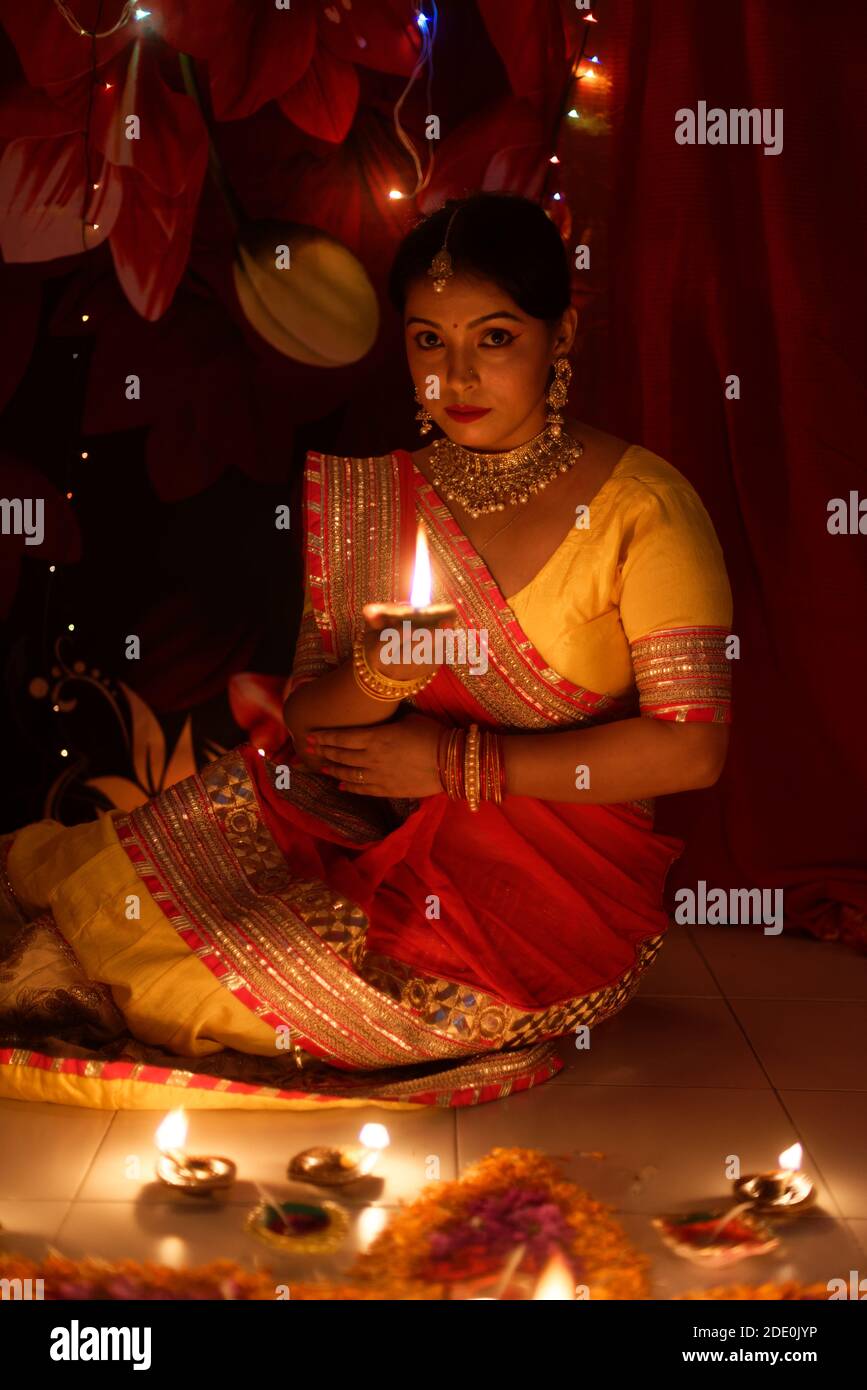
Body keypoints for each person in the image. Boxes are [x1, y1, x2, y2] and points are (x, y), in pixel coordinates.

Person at [0, 193, 732, 1111]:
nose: (455, 373)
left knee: (175, 989)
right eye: (428, 340)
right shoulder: (387, 495)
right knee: (100, 902)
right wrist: (382, 674)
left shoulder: (642, 507)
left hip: (547, 904)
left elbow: (691, 747)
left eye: (495, 337)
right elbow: (311, 724)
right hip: (365, 838)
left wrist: (451, 761)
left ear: (561, 333)